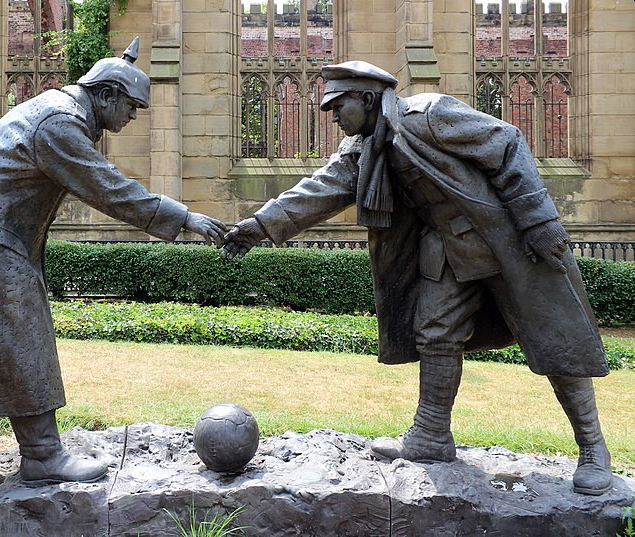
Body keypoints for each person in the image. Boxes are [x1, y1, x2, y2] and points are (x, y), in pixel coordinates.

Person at [222, 60, 613, 495]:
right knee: (435, 333)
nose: (333, 117)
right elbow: (319, 190)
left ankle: (593, 448)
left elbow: (506, 141)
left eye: (338, 106)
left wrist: (539, 220)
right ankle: (430, 436)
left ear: (367, 98)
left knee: (552, 338)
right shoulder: (362, 147)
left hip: (505, 241)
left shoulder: (429, 114)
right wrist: (256, 227)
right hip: (444, 250)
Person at [0, 37, 226, 486]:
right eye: (132, 106)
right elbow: (106, 187)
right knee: (21, 329)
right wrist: (184, 217)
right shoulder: (59, 122)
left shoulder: (59, 111)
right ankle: (41, 454)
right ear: (107, 93)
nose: (133, 117)